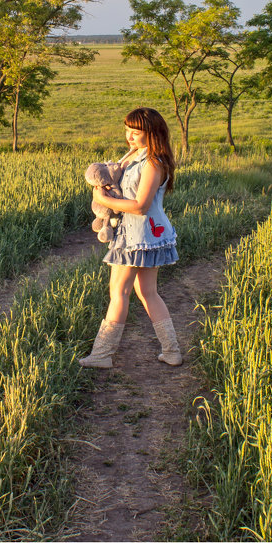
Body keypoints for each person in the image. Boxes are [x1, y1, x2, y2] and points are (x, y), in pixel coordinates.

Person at [79, 107, 181, 368]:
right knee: (147, 292)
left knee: (119, 291)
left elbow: (140, 206)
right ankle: (171, 351)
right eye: (127, 131)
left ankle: (102, 355)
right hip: (148, 235)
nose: (130, 137)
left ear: (152, 133)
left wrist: (103, 199)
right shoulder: (137, 157)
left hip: (137, 236)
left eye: (136, 132)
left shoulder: (153, 162)